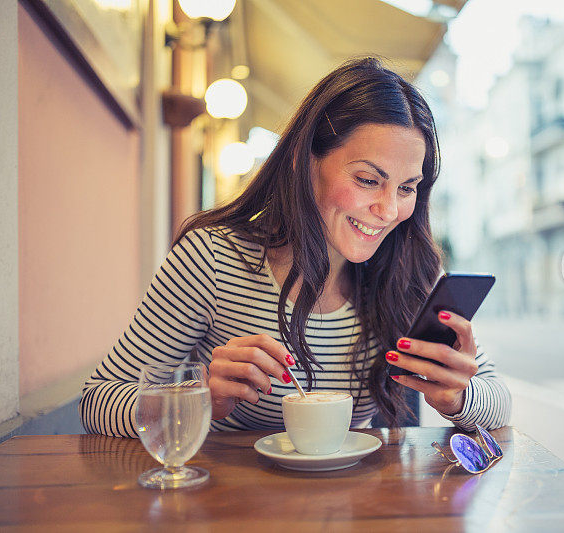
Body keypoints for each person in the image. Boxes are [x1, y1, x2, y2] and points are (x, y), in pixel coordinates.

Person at [80, 57, 511, 437]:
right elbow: (96, 403)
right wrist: (200, 397)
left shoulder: (409, 272)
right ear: (303, 161)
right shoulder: (211, 259)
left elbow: (499, 400)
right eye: (367, 179)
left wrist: (458, 397)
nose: (388, 209)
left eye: (407, 187)